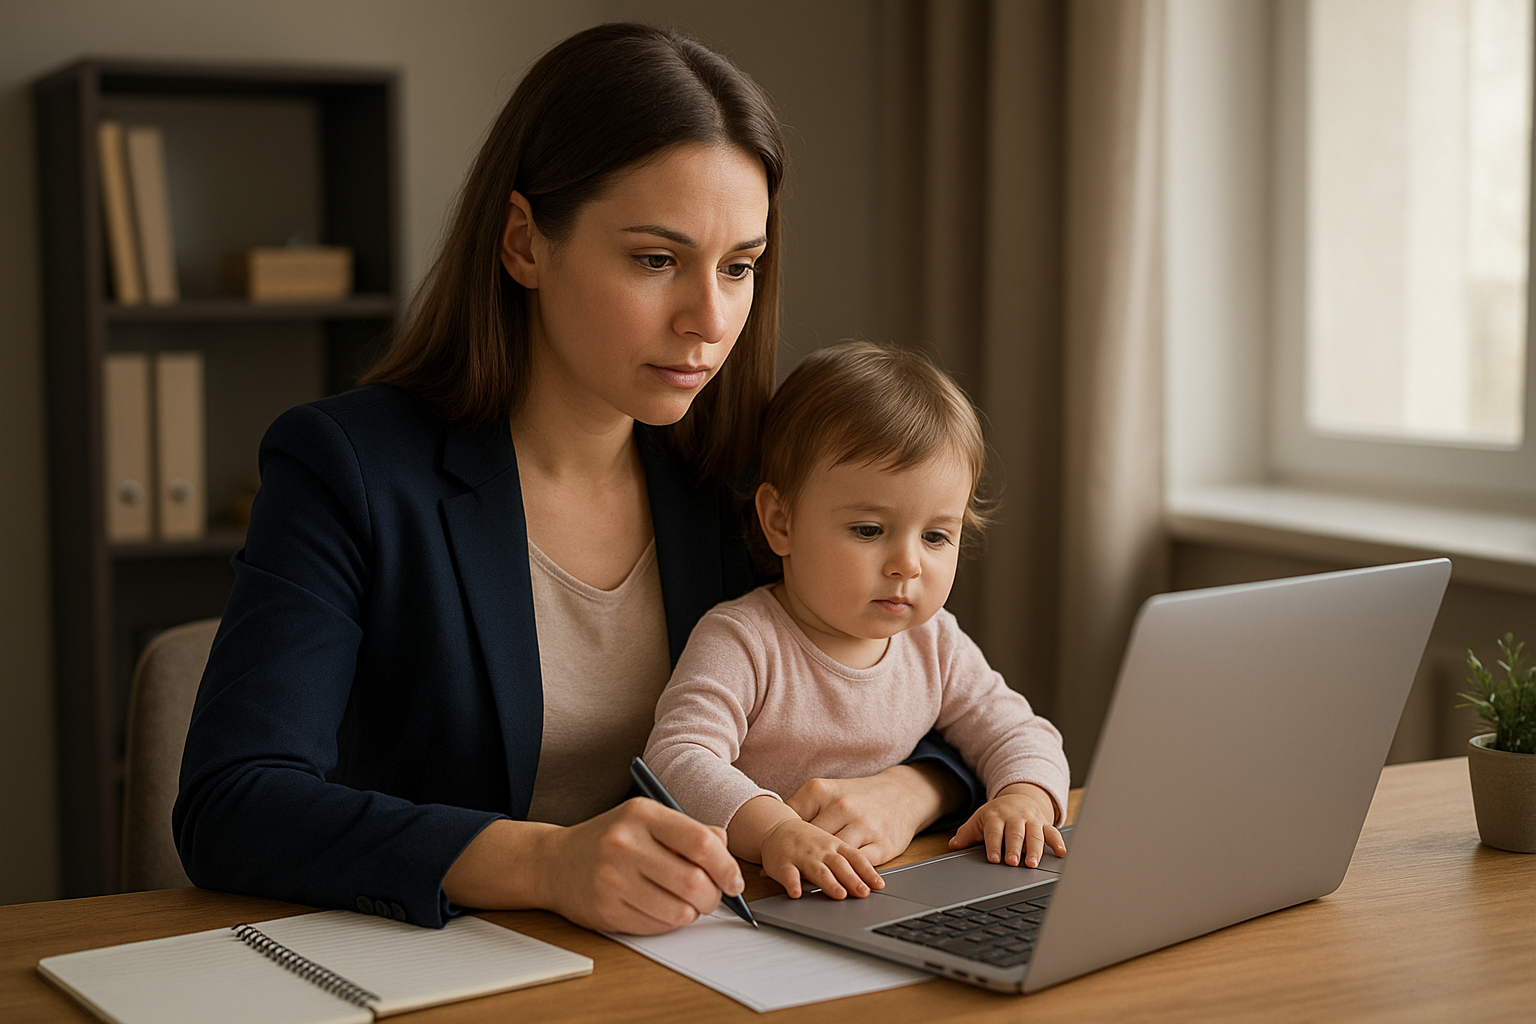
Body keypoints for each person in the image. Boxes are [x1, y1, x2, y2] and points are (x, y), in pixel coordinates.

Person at [172, 24, 978, 937]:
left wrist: (911, 789)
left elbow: (923, 676)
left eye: (739, 268)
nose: (710, 320)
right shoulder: (346, 467)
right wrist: (545, 861)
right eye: (656, 260)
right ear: (524, 242)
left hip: (716, 952)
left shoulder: (748, 474)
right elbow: (234, 803)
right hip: (463, 961)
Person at [643, 341, 1070, 901]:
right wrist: (774, 831)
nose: (907, 564)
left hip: (888, 887)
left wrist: (1025, 798)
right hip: (758, 895)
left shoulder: (934, 642)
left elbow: (1020, 731)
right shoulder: (744, 640)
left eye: (936, 535)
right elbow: (677, 758)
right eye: (869, 530)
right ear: (781, 522)